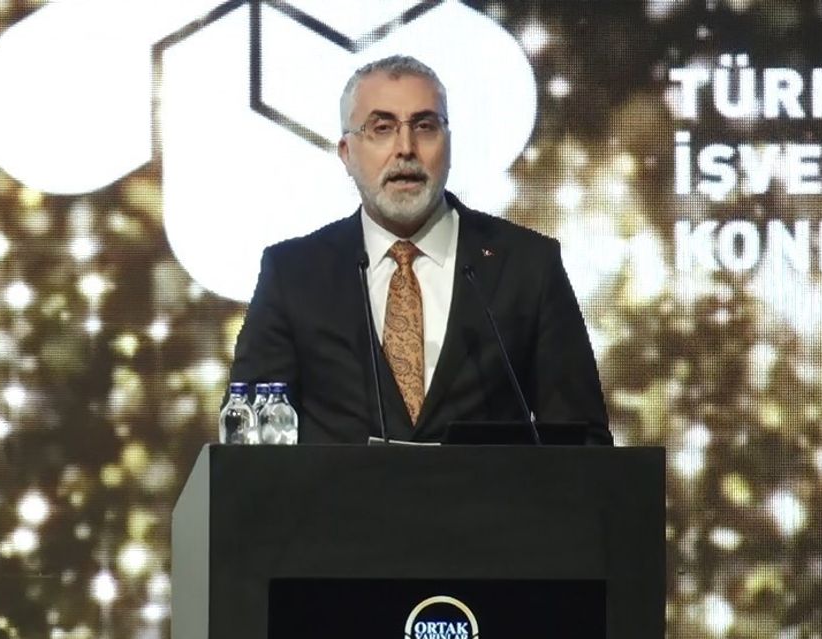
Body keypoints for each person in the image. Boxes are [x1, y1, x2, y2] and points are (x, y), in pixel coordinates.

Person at [229, 55, 612, 445]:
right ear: (346, 152)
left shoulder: (527, 265)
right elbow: (249, 443)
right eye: (382, 128)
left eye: (425, 127)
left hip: (488, 489)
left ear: (449, 144)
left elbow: (583, 441)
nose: (406, 149)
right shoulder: (293, 274)